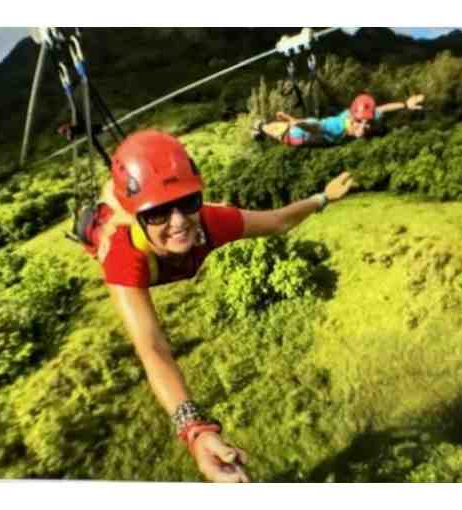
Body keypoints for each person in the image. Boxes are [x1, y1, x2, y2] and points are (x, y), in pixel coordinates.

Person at [78, 129, 357, 482]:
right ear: (137, 219)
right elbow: (153, 350)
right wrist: (196, 430)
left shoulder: (209, 222)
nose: (179, 222)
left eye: (189, 202)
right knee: (97, 224)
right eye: (158, 214)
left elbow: (278, 221)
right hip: (108, 229)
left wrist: (322, 198)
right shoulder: (123, 254)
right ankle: (107, 206)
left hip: (132, 208)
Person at [252, 93, 425, 147]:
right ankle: (259, 127)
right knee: (272, 129)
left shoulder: (360, 117)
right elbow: (316, 127)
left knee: (275, 126)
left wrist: (405, 104)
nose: (365, 128)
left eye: (367, 124)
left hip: (305, 125)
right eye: (361, 123)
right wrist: (295, 122)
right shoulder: (336, 127)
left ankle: (261, 127)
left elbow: (381, 109)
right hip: (296, 134)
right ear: (352, 120)